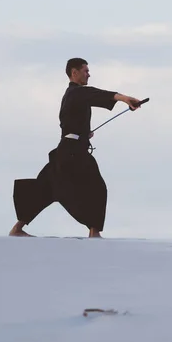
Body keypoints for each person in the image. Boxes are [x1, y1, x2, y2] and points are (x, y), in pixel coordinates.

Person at [9, 57, 143, 238]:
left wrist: (83, 134)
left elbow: (68, 122)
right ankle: (94, 232)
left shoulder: (71, 95)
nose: (89, 74)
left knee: (45, 188)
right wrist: (125, 98)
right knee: (97, 188)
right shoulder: (76, 93)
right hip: (72, 153)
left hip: (68, 149)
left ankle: (17, 228)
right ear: (74, 72)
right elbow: (97, 94)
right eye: (85, 70)